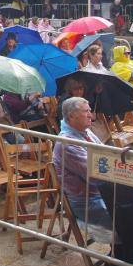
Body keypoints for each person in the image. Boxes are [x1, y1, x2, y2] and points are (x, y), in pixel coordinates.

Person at [53, 97, 115, 232]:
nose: (90, 115)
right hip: (87, 201)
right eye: (86, 111)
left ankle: (123, 250)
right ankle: (122, 251)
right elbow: (95, 174)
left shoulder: (86, 131)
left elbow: (106, 155)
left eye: (90, 111)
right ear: (71, 116)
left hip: (101, 192)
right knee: (130, 215)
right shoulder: (67, 142)